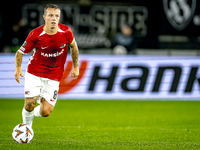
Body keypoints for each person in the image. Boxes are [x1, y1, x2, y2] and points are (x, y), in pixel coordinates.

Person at [14, 4, 79, 128]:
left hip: (54, 75)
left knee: (46, 112)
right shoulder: (35, 34)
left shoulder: (66, 32)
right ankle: (26, 129)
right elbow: (20, 52)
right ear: (44, 17)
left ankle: (29, 115)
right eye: (50, 15)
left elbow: (73, 47)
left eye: (56, 16)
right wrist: (18, 68)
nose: (54, 18)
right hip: (35, 72)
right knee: (29, 104)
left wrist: (76, 66)